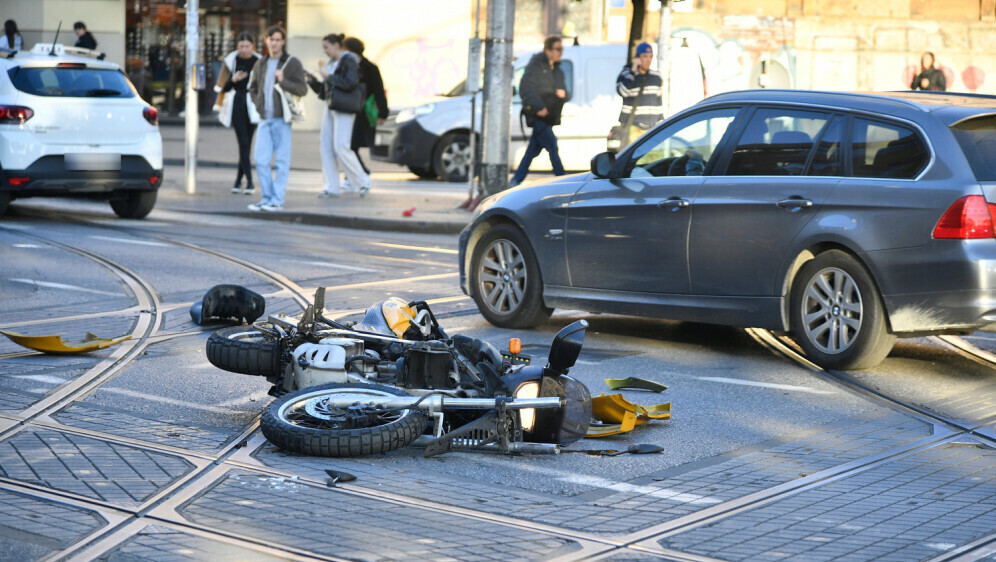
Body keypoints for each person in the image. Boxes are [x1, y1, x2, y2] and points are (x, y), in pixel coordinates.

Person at [248, 25, 307, 212]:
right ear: (266, 41)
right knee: (261, 160)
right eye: (271, 39)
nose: (274, 43)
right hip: (265, 118)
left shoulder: (291, 63)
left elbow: (302, 89)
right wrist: (258, 105)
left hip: (283, 119)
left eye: (277, 40)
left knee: (282, 161)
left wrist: (283, 81)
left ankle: (277, 200)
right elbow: (253, 87)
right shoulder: (261, 63)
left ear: (283, 42)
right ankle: (266, 198)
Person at [306, 34, 370, 197]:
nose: (325, 51)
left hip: (345, 108)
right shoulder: (332, 63)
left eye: (326, 47)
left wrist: (329, 76)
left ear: (336, 46)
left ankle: (363, 181)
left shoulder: (348, 59)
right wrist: (313, 81)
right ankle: (331, 187)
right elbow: (325, 91)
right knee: (326, 147)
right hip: (331, 106)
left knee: (341, 146)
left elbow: (350, 82)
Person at [509, 36, 567, 188]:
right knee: (553, 146)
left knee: (531, 152)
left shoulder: (558, 70)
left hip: (550, 118)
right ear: (548, 50)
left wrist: (562, 94)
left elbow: (561, 91)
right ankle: (564, 182)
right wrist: (539, 107)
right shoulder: (535, 67)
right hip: (538, 117)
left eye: (562, 49)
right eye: (557, 49)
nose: (560, 52)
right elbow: (526, 89)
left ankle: (515, 181)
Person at [214, 32, 261, 195]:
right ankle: (249, 182)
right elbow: (222, 88)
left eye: (247, 46)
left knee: (247, 144)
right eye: (241, 46)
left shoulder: (259, 62)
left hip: (253, 105)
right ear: (237, 46)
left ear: (253, 46)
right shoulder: (231, 61)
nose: (244, 50)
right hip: (237, 104)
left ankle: (237, 182)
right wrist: (233, 80)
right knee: (243, 143)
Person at [347, 37, 389, 176]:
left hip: (362, 113)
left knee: (351, 145)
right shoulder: (346, 66)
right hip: (348, 111)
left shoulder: (370, 68)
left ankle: (360, 172)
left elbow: (378, 90)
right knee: (349, 145)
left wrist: (383, 113)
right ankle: (356, 173)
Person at [615, 42, 664, 146]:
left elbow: (659, 102)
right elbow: (623, 92)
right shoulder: (626, 75)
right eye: (645, 56)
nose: (648, 60)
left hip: (652, 129)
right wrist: (633, 72)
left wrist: (660, 122)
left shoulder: (656, 77)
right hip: (633, 127)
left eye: (651, 56)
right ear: (637, 58)